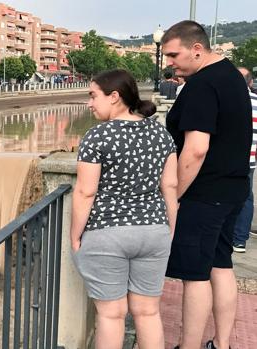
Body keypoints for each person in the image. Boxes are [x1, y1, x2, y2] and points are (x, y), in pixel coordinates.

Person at [71, 69, 177, 349]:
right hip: (153, 231)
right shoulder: (160, 133)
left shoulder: (98, 136)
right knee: (148, 312)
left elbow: (85, 191)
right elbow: (170, 186)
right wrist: (169, 229)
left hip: (107, 233)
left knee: (111, 315)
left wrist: (75, 235)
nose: (90, 103)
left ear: (115, 97)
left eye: (93, 96)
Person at [161, 21, 252, 349]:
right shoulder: (231, 75)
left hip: (204, 195)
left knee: (195, 275)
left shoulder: (201, 85)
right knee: (221, 265)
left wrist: (174, 194)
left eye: (174, 54)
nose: (169, 61)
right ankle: (222, 344)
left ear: (196, 49)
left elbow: (196, 148)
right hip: (233, 189)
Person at [231, 67, 257, 253]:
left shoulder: (226, 100)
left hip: (227, 157)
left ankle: (224, 235)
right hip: (251, 158)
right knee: (247, 197)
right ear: (250, 83)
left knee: (222, 195)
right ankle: (240, 239)